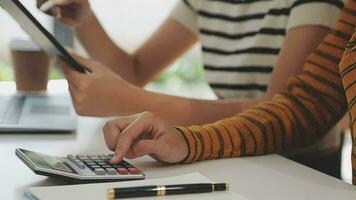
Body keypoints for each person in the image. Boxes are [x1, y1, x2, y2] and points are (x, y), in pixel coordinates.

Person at [39, 0, 345, 177]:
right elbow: (133, 72)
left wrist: (130, 100)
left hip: (297, 168)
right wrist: (86, 20)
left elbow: (286, 114)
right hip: (233, 155)